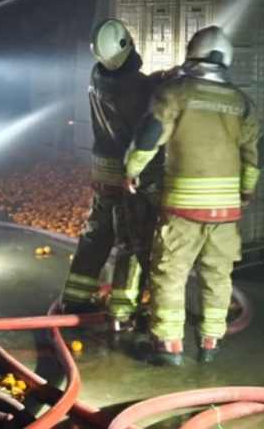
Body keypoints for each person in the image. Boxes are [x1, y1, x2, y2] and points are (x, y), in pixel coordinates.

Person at [123, 26, 262, 366]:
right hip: (226, 210)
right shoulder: (242, 103)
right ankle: (211, 342)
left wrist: (132, 170)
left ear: (191, 54)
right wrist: (246, 191)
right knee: (218, 275)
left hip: (183, 208)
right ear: (226, 59)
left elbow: (148, 137)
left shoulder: (174, 93)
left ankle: (169, 345)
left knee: (170, 273)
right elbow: (254, 153)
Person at [60, 19, 164, 332]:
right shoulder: (137, 88)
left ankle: (75, 296)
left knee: (97, 232)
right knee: (132, 239)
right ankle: (123, 309)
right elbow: (147, 109)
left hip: (101, 167)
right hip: (126, 172)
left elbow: (132, 84)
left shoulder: (98, 76)